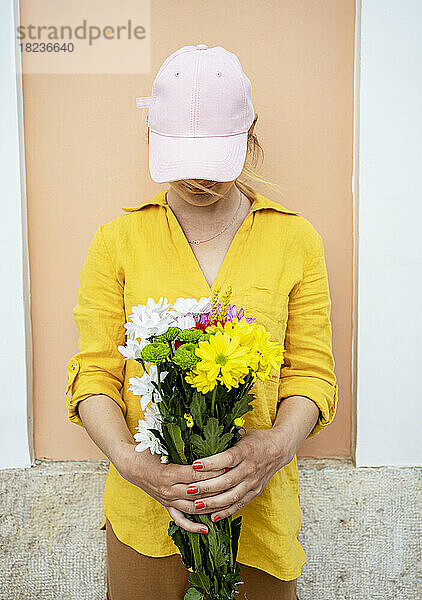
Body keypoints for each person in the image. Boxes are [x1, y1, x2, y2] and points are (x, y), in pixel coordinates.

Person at [65, 44, 338, 600]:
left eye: (212, 158)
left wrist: (276, 446)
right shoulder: (117, 242)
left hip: (259, 523)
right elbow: (94, 377)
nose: (196, 178)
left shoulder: (295, 239)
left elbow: (311, 372)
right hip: (146, 523)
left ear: (249, 131)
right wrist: (134, 465)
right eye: (181, 157)